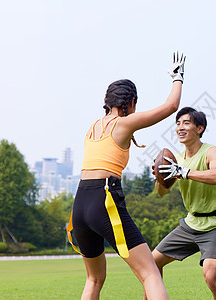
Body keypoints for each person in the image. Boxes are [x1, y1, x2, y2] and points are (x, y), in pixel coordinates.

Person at [68, 51, 186, 300]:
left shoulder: (92, 127)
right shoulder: (123, 124)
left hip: (80, 204)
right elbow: (171, 107)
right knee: (150, 273)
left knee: (94, 279)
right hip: (104, 199)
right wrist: (178, 77)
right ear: (130, 102)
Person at [151, 107, 216, 300]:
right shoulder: (176, 159)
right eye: (178, 124)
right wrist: (160, 178)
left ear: (199, 128)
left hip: (215, 225)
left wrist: (185, 172)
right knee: (151, 265)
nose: (180, 127)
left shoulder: (212, 152)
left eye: (186, 123)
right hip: (189, 225)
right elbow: (161, 192)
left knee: (212, 276)